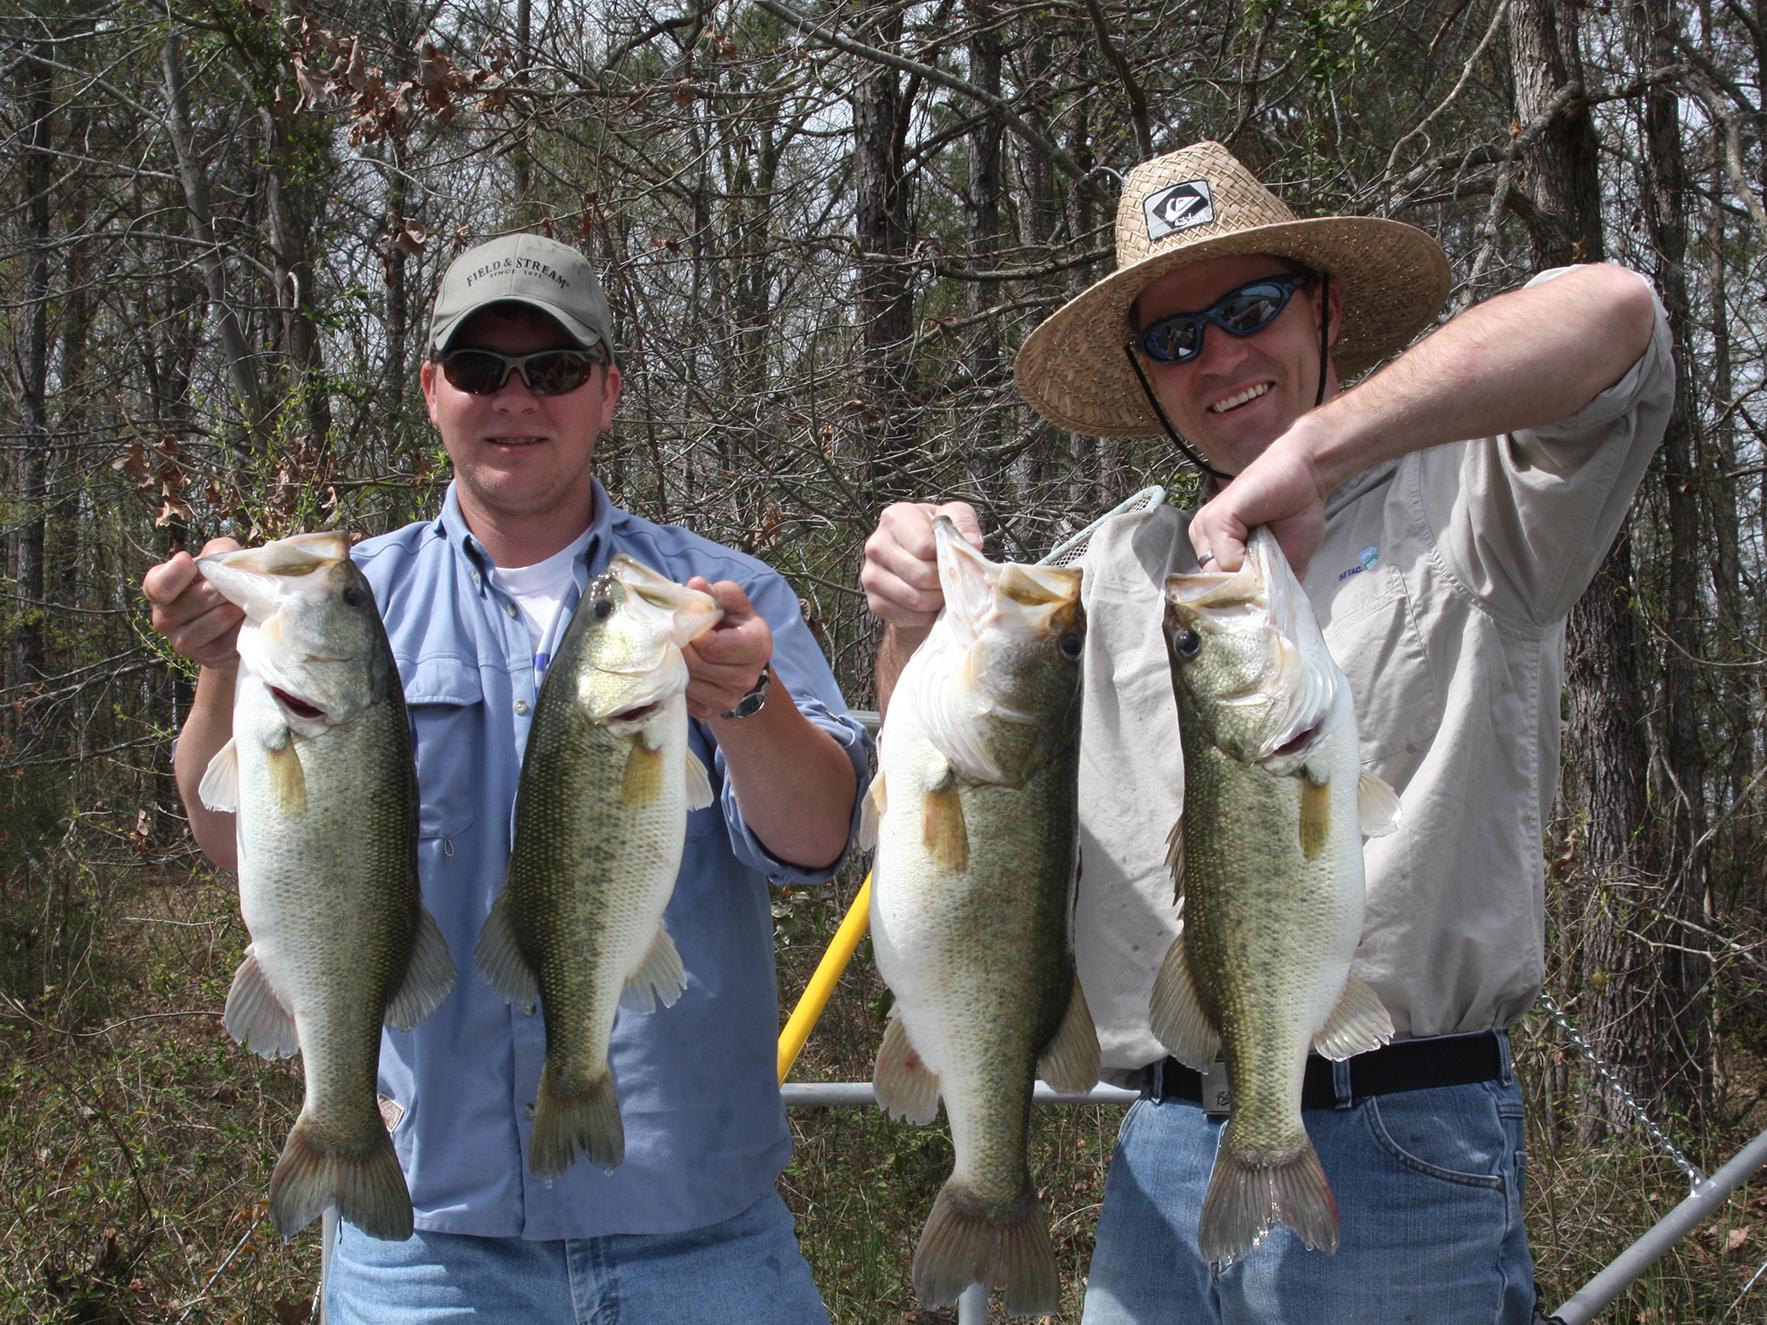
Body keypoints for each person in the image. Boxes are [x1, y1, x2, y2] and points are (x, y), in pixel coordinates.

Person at [862, 140, 1672, 1322]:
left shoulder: (1470, 496)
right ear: (1145, 373)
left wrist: (1315, 449)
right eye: (1175, 338)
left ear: (1328, 307)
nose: (1221, 357)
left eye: (1250, 308)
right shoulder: (1108, 572)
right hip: (1161, 1139)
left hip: (1402, 1136)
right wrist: (915, 616)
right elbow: (937, 794)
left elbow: (1616, 311)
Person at [143, 232, 869, 1323]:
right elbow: (235, 841)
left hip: (700, 1229)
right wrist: (217, 670)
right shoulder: (344, 597)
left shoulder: (720, 597)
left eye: (555, 369)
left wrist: (750, 706)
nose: (514, 399)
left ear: (609, 391)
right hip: (426, 1242)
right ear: (431, 389)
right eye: (480, 368)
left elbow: (819, 843)